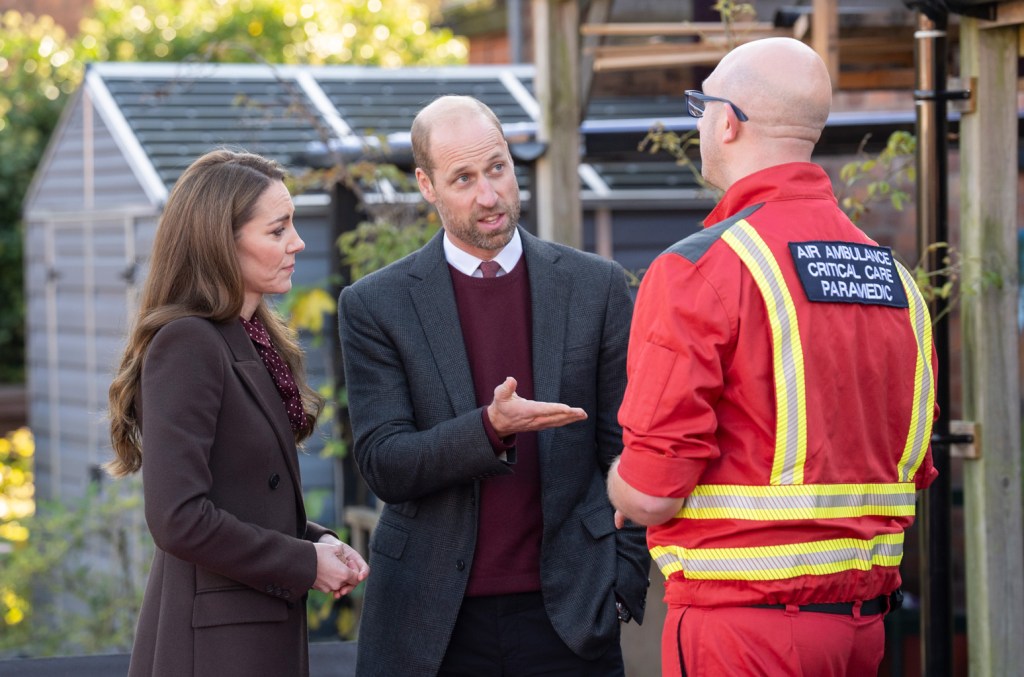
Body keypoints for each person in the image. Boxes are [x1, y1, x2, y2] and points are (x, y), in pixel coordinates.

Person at [607, 37, 939, 676]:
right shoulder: (898, 281)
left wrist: (617, 479)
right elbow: (910, 467)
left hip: (742, 632)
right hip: (862, 631)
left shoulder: (699, 269)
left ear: (725, 121)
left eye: (700, 106)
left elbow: (651, 494)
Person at [338, 95, 650, 676]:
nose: (489, 196)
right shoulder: (375, 306)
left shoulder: (595, 288)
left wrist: (623, 579)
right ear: (427, 185)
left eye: (498, 168)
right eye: (463, 178)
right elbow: (384, 463)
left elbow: (627, 448)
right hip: (432, 623)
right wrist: (489, 429)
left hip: (571, 614)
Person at [106, 149, 369, 677]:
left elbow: (247, 494)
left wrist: (316, 540)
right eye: (277, 231)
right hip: (216, 648)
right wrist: (301, 563)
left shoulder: (249, 336)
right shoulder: (187, 343)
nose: (297, 243)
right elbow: (177, 518)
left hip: (254, 630)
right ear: (221, 244)